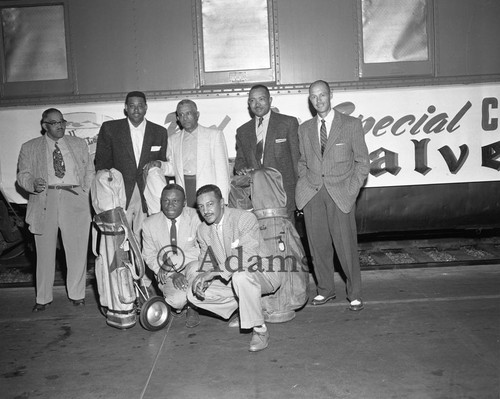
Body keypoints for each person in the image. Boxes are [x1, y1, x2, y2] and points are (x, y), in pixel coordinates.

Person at [296, 80, 370, 311]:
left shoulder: (350, 124)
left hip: (340, 194)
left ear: (331, 96)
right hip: (313, 193)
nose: (318, 100)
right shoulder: (305, 128)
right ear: (310, 99)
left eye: (322, 95)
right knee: (318, 247)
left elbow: (362, 162)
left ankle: (354, 293)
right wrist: (304, 185)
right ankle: (325, 290)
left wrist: (351, 190)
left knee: (345, 246)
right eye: (313, 96)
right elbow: (302, 161)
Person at [17, 108, 94, 312]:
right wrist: (33, 183)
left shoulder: (78, 143)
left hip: (74, 198)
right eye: (55, 122)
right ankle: (43, 298)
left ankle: (77, 294)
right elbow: (22, 175)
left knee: (77, 250)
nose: (60, 126)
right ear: (45, 126)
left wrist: (85, 191)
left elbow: (89, 170)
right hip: (45, 198)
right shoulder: (30, 147)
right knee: (44, 252)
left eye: (62, 122)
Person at [187, 184, 280, 352]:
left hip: (262, 273)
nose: (205, 210)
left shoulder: (244, 218)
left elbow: (246, 256)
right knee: (192, 294)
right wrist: (203, 280)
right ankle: (245, 309)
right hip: (233, 277)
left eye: (210, 204)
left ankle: (260, 330)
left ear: (222, 203)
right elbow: (206, 261)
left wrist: (211, 273)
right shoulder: (202, 230)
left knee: (241, 276)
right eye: (201, 207)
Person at [95, 91, 168, 294]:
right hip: (119, 193)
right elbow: (101, 162)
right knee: (120, 238)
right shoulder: (110, 129)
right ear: (126, 108)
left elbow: (162, 164)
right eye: (132, 105)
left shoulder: (159, 131)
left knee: (146, 236)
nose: (136, 109)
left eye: (140, 105)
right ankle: (122, 281)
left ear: (146, 107)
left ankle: (144, 280)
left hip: (147, 195)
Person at [234, 84, 300, 221]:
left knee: (287, 238)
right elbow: (239, 162)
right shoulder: (242, 131)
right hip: (256, 197)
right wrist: (242, 170)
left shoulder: (288, 123)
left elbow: (297, 161)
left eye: (261, 99)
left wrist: (299, 195)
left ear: (270, 100)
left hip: (284, 195)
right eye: (252, 100)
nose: (257, 104)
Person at [142, 184, 202, 328]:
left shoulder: (197, 218)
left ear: (184, 203)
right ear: (160, 201)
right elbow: (149, 255)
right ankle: (181, 302)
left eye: (175, 201)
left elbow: (203, 250)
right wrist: (173, 273)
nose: (169, 205)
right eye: (166, 201)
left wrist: (172, 261)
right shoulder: (149, 224)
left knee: (195, 268)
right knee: (177, 301)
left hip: (192, 266)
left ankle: (193, 307)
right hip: (166, 273)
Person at [157, 99, 230, 208]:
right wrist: (160, 165)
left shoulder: (214, 135)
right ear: (177, 118)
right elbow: (173, 168)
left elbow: (222, 170)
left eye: (188, 113)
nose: (185, 118)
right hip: (185, 189)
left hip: (208, 191)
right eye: (181, 115)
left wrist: (223, 200)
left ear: (197, 115)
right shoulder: (173, 140)